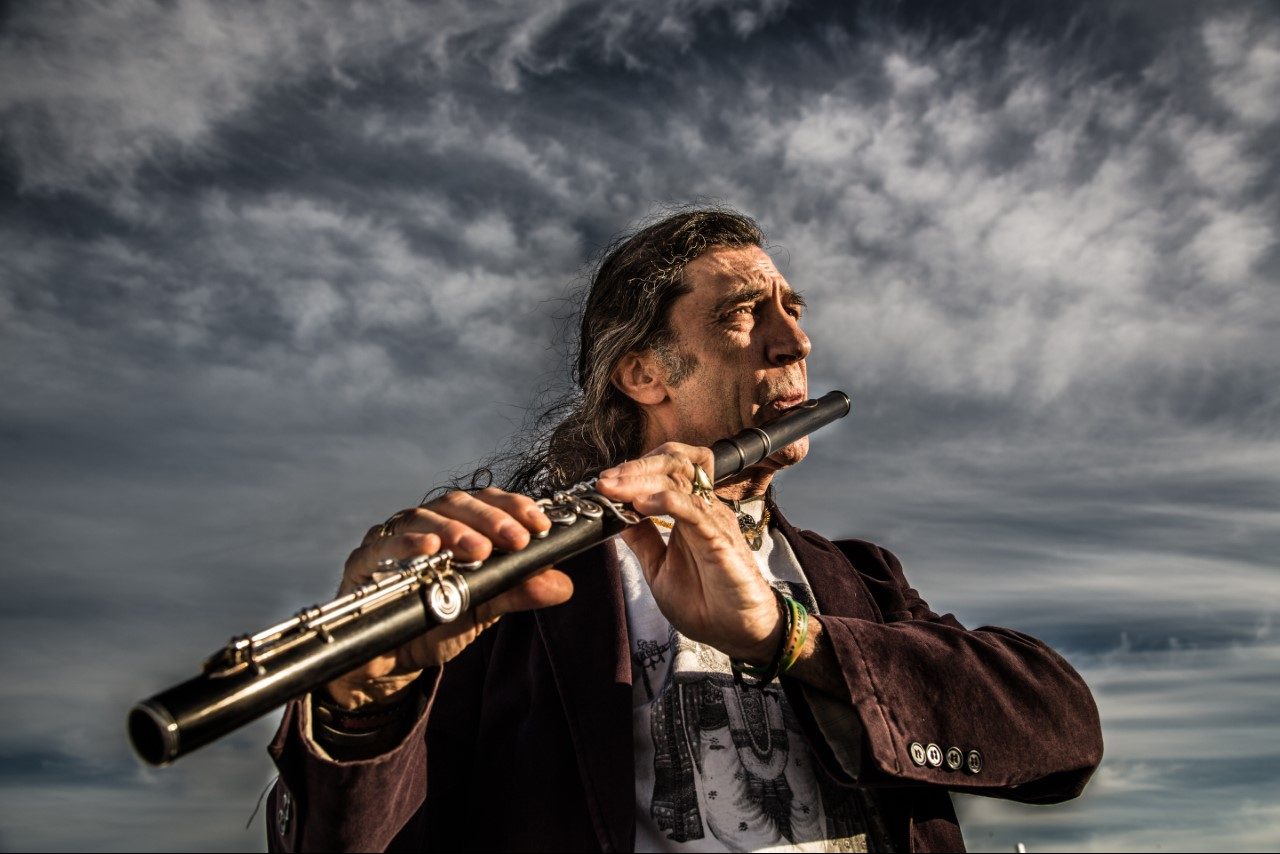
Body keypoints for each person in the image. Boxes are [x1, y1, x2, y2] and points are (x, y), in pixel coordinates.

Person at [266, 209, 1103, 852]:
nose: (796, 340)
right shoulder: (514, 581)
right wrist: (359, 707)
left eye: (792, 310)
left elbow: (1063, 734)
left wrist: (792, 638)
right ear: (642, 372)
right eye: (744, 313)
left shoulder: (860, 578)